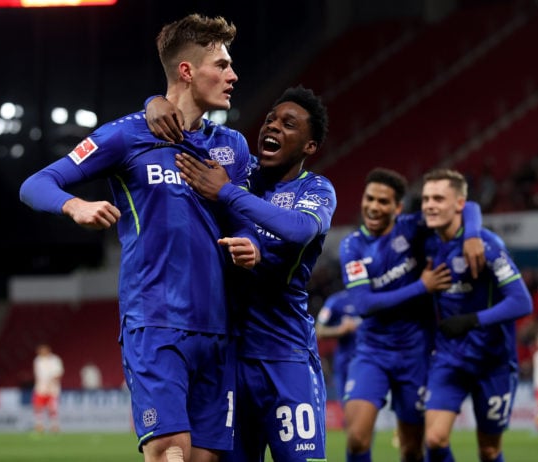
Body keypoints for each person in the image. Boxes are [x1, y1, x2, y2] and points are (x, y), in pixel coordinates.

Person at [20, 14, 261, 462]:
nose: (233, 75)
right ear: (187, 71)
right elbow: (36, 184)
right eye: (222, 65)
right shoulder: (126, 135)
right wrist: (76, 206)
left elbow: (246, 220)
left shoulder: (233, 147)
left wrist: (254, 244)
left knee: (204, 459)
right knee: (170, 452)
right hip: (155, 321)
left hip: (219, 328)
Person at [147, 85, 334, 462]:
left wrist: (229, 197)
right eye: (270, 119)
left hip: (286, 357)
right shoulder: (240, 174)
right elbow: (189, 135)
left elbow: (298, 229)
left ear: (309, 147)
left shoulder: (315, 189)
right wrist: (152, 103)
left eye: (289, 124)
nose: (274, 126)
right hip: (229, 363)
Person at [338, 167, 485, 462]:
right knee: (356, 439)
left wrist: (472, 235)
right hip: (373, 352)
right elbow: (364, 304)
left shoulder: (412, 227)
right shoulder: (352, 246)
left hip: (416, 353)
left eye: (383, 202)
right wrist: (421, 287)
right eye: (370, 199)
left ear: (397, 208)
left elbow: (468, 206)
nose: (374, 207)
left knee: (412, 449)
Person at [420, 168, 533, 462]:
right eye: (425, 199)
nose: (429, 205)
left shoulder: (487, 245)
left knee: (489, 449)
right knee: (434, 439)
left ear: (458, 204)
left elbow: (522, 302)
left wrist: (472, 320)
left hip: (492, 361)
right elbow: (470, 207)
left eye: (438, 198)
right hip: (448, 358)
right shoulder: (427, 241)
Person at [315, 289, 360, 405]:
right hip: (345, 361)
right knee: (346, 405)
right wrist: (340, 330)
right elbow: (319, 330)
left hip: (371, 359)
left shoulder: (374, 297)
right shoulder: (336, 301)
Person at [32, 344, 64, 433]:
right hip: (41, 388)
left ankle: (54, 426)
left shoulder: (55, 360)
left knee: (52, 408)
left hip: (53, 388)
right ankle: (39, 425)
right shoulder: (37, 360)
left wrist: (51, 382)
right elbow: (38, 375)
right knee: (38, 407)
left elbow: (59, 373)